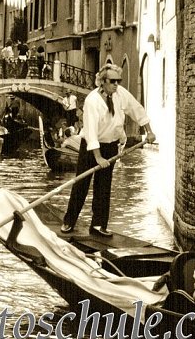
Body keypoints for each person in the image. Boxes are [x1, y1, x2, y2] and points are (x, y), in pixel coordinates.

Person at [60, 63, 156, 237]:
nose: (116, 84)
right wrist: (97, 157)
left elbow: (136, 109)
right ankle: (69, 221)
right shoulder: (92, 100)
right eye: (113, 81)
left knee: (104, 187)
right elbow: (90, 132)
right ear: (102, 82)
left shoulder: (120, 94)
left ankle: (98, 225)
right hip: (91, 146)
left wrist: (148, 131)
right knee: (81, 184)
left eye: (118, 81)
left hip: (111, 145)